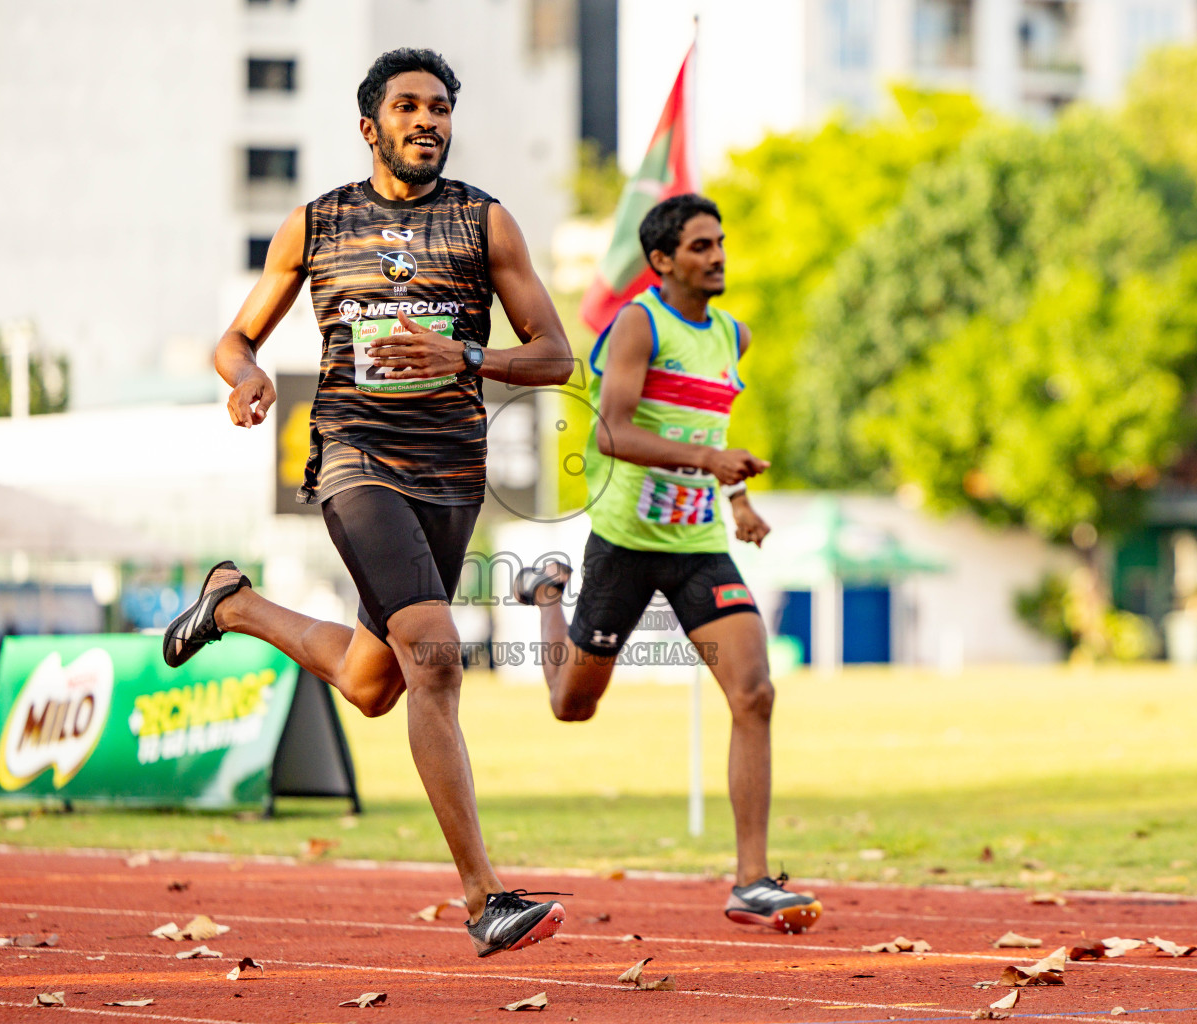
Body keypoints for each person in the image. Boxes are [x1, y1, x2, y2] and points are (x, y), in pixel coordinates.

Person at [162, 48, 574, 958]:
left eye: (439, 108)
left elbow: (555, 356)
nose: (427, 121)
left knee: (372, 681)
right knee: (436, 659)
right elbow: (234, 338)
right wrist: (247, 376)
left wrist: (467, 358)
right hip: (356, 460)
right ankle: (483, 899)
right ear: (370, 126)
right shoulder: (314, 226)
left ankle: (233, 602)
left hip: (453, 474)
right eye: (408, 107)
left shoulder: (485, 221)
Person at [513, 194, 822, 934]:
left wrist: (736, 494)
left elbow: (709, 420)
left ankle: (752, 880)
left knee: (754, 693)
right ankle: (549, 592)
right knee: (571, 705)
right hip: (624, 545)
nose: (717, 256)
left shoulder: (732, 335)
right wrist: (709, 460)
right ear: (661, 262)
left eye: (719, 242)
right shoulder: (637, 324)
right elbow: (615, 432)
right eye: (699, 247)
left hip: (697, 547)